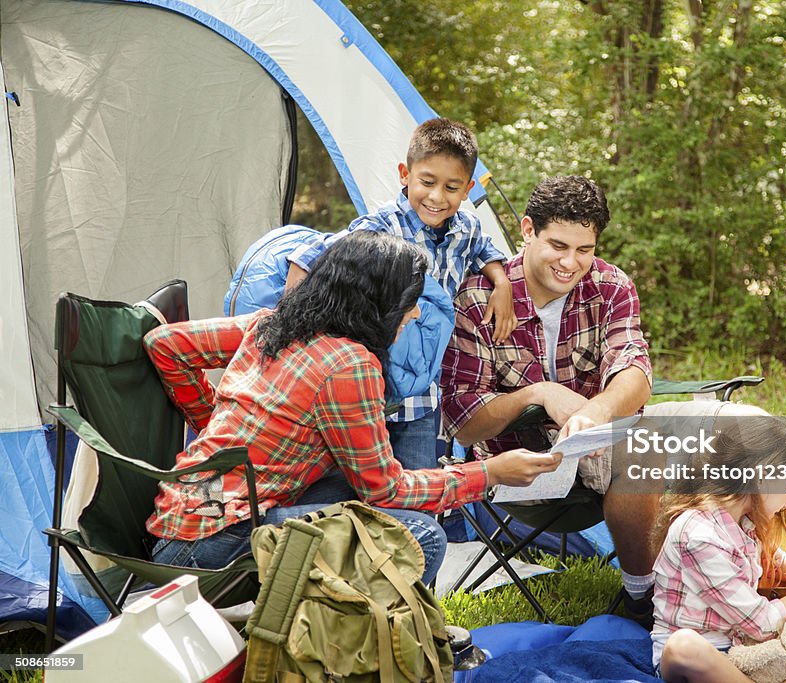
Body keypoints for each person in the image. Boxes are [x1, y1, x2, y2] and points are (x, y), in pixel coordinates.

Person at [145, 232, 561, 585]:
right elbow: (385, 489)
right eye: (408, 301)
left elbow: (165, 344)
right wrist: (489, 472)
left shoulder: (272, 325)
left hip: (183, 516)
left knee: (362, 492)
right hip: (211, 548)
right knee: (421, 536)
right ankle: (357, 643)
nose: (414, 313)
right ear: (376, 302)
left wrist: (216, 426)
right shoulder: (350, 364)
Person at [440, 175, 658, 624]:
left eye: (585, 249)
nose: (570, 263)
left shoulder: (612, 286)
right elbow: (464, 421)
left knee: (714, 440)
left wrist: (595, 411)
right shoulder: (478, 296)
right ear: (526, 229)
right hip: (519, 468)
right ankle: (649, 599)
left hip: (602, 445)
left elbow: (635, 368)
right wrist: (536, 395)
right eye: (558, 245)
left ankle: (693, 590)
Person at [284, 118, 515, 472]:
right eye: (427, 182)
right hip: (369, 389)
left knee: (420, 487)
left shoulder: (467, 228)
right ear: (405, 174)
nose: (437, 197)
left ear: (468, 189)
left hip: (422, 397)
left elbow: (484, 251)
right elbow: (311, 255)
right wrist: (292, 325)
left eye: (451, 187)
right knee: (364, 487)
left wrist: (502, 284)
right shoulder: (381, 227)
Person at [649, 410, 786, 682]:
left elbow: (778, 561)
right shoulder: (697, 535)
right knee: (684, 646)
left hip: (749, 652)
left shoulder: (742, 523)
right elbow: (761, 624)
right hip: (708, 656)